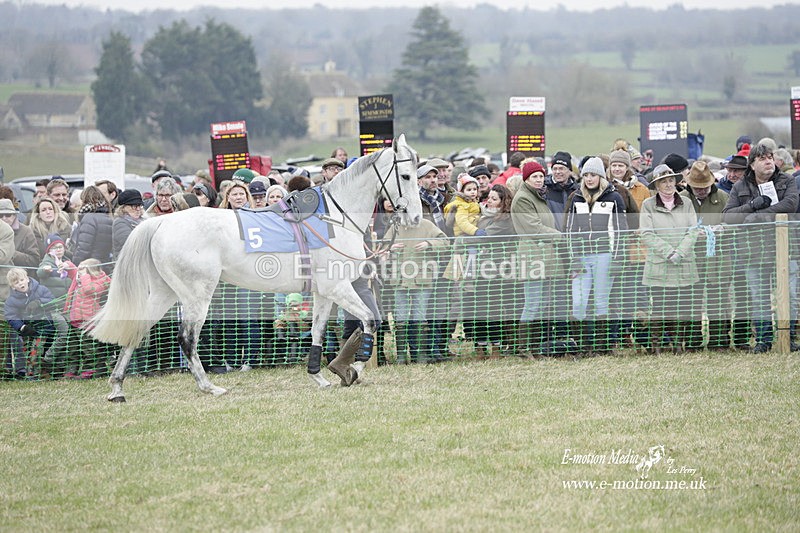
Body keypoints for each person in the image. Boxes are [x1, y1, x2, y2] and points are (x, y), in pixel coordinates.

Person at [722, 140, 800, 353]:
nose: (768, 162)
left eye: (770, 158)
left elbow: (790, 204)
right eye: (762, 158)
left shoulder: (786, 180)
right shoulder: (741, 186)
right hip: (753, 252)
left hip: (786, 249)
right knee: (760, 298)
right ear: (752, 164)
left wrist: (758, 216)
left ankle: (788, 337)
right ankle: (764, 340)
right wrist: (751, 205)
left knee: (790, 296)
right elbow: (728, 216)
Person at [564, 156, 628, 355]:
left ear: (601, 176)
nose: (589, 179)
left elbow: (620, 230)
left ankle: (602, 346)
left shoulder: (614, 197)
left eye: (593, 175)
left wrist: (617, 258)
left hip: (604, 255)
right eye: (586, 175)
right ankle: (582, 346)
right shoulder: (576, 198)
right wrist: (573, 257)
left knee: (601, 301)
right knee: (578, 302)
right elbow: (570, 230)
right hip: (582, 257)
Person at [639, 164, 701, 354]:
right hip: (659, 265)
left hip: (683, 264)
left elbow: (693, 230)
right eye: (663, 182)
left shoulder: (686, 202)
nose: (668, 184)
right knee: (659, 307)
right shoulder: (648, 205)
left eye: (671, 180)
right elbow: (646, 233)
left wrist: (680, 252)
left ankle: (678, 344)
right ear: (656, 185)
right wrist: (668, 252)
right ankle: (657, 345)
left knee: (682, 307)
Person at [381, 198, 450, 363]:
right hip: (399, 279)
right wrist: (389, 248)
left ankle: (420, 355)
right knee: (400, 318)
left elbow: (445, 242)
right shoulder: (395, 227)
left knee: (420, 316)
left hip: (422, 278)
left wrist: (429, 243)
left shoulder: (426, 225)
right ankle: (401, 356)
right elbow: (382, 247)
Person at [510, 160, 564, 358]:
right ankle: (524, 348)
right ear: (526, 178)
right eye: (535, 176)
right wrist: (560, 236)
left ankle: (534, 347)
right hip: (532, 256)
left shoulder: (538, 196)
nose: (539, 179)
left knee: (540, 305)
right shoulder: (523, 199)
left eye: (541, 176)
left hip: (544, 255)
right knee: (532, 304)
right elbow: (534, 227)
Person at [679, 161, 731, 351]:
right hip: (691, 257)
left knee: (718, 299)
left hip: (718, 257)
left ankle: (719, 340)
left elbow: (733, 223)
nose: (701, 191)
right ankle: (693, 341)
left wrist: (720, 229)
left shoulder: (723, 197)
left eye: (704, 187)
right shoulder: (682, 199)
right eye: (697, 188)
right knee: (691, 300)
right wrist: (690, 232)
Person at [4, 267, 70, 378]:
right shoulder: (11, 300)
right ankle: (32, 373)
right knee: (32, 352)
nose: (20, 283)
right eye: (16, 282)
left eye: (22, 280)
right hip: (30, 331)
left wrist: (39, 302)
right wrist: (22, 327)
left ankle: (50, 371)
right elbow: (11, 316)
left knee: (47, 349)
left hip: (47, 326)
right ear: (12, 286)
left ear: (27, 279)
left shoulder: (40, 289)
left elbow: (52, 300)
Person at [63, 258, 112, 378]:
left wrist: (85, 275)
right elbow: (72, 269)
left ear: (90, 270)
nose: (79, 271)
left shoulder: (102, 280)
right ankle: (72, 369)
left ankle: (89, 370)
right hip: (74, 319)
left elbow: (89, 289)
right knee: (73, 347)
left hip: (87, 321)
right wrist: (65, 264)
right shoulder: (79, 277)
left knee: (88, 347)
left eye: (82, 269)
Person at [70, 185, 113, 270]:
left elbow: (83, 248)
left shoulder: (89, 218)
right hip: (103, 266)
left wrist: (74, 264)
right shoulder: (108, 217)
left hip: (88, 267)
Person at [0, 199, 39, 270]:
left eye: (8, 215)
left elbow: (34, 260)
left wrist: (11, 253)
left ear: (14, 216)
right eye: (0, 216)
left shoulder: (26, 232)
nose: (4, 218)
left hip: (19, 274)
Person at [36, 234, 76, 300]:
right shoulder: (46, 263)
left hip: (68, 300)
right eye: (54, 248)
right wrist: (45, 270)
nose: (58, 250)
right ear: (49, 251)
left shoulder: (68, 261)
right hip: (53, 301)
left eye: (60, 247)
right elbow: (39, 273)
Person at [112, 189, 145, 259]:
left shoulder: (143, 220)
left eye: (140, 205)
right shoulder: (120, 222)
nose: (138, 209)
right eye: (134, 206)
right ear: (123, 208)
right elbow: (130, 243)